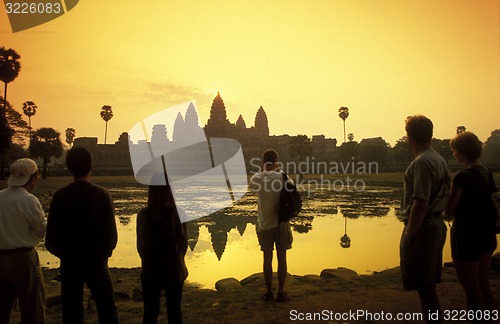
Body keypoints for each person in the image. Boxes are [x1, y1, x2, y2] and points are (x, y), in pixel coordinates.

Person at [45, 147, 119, 324]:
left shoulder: (60, 196)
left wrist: (66, 255)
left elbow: (51, 240)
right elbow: (111, 236)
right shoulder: (102, 195)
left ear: (69, 168)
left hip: (70, 263)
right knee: (107, 309)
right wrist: (102, 255)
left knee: (71, 312)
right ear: (91, 167)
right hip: (97, 262)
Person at [400, 115, 450, 322]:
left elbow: (420, 203)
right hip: (436, 222)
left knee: (424, 285)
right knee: (427, 284)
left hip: (424, 226)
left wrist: (410, 233)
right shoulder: (438, 158)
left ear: (408, 136)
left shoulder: (422, 163)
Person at [445, 131, 496, 311]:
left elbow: (449, 210)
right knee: (483, 285)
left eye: (455, 150)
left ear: (462, 152)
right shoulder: (486, 173)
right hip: (487, 233)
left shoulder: (461, 177)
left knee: (471, 290)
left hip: (467, 236)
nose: (454, 154)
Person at [137, 173, 188, 323]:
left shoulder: (144, 214)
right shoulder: (180, 213)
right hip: (174, 269)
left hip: (151, 271)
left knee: (150, 312)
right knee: (174, 312)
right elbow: (183, 245)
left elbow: (141, 247)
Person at [0, 158, 46, 323]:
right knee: (32, 309)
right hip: (23, 259)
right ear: (33, 178)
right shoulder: (29, 200)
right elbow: (41, 229)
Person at [249, 149, 293, 302]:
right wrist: (278, 170)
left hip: (265, 224)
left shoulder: (257, 178)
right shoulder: (283, 176)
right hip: (282, 223)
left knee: (267, 258)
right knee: (282, 257)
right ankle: (281, 292)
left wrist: (263, 171)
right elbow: (292, 190)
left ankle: (268, 292)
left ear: (262, 162)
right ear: (276, 161)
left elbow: (253, 190)